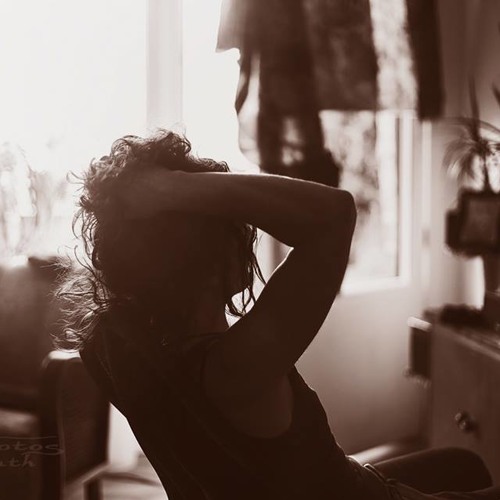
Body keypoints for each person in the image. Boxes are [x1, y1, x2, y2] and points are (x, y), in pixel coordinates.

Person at [58, 130, 500, 500]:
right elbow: (334, 214)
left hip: (340, 482)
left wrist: (149, 201)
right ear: (203, 255)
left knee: (462, 464)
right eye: (231, 228)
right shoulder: (236, 370)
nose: (245, 235)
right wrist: (168, 188)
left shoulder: (113, 347)